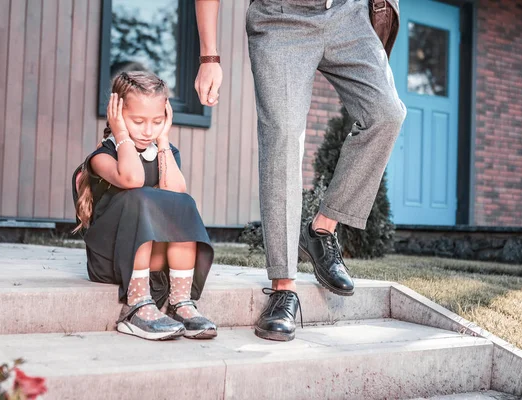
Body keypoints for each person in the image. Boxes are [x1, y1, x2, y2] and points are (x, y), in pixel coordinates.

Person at [195, 0, 405, 341]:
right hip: (282, 18)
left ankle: (321, 231)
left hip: (348, 16)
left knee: (386, 114)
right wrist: (209, 57)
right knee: (283, 134)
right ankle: (283, 288)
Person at [72, 71, 217, 341]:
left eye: (157, 121)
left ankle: (180, 302)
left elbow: (178, 192)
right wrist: (122, 135)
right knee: (138, 196)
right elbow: (132, 179)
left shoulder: (164, 151)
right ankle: (135, 307)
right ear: (116, 113)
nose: (148, 130)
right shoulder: (103, 156)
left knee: (181, 202)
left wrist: (163, 142)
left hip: (152, 262)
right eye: (137, 121)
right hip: (112, 259)